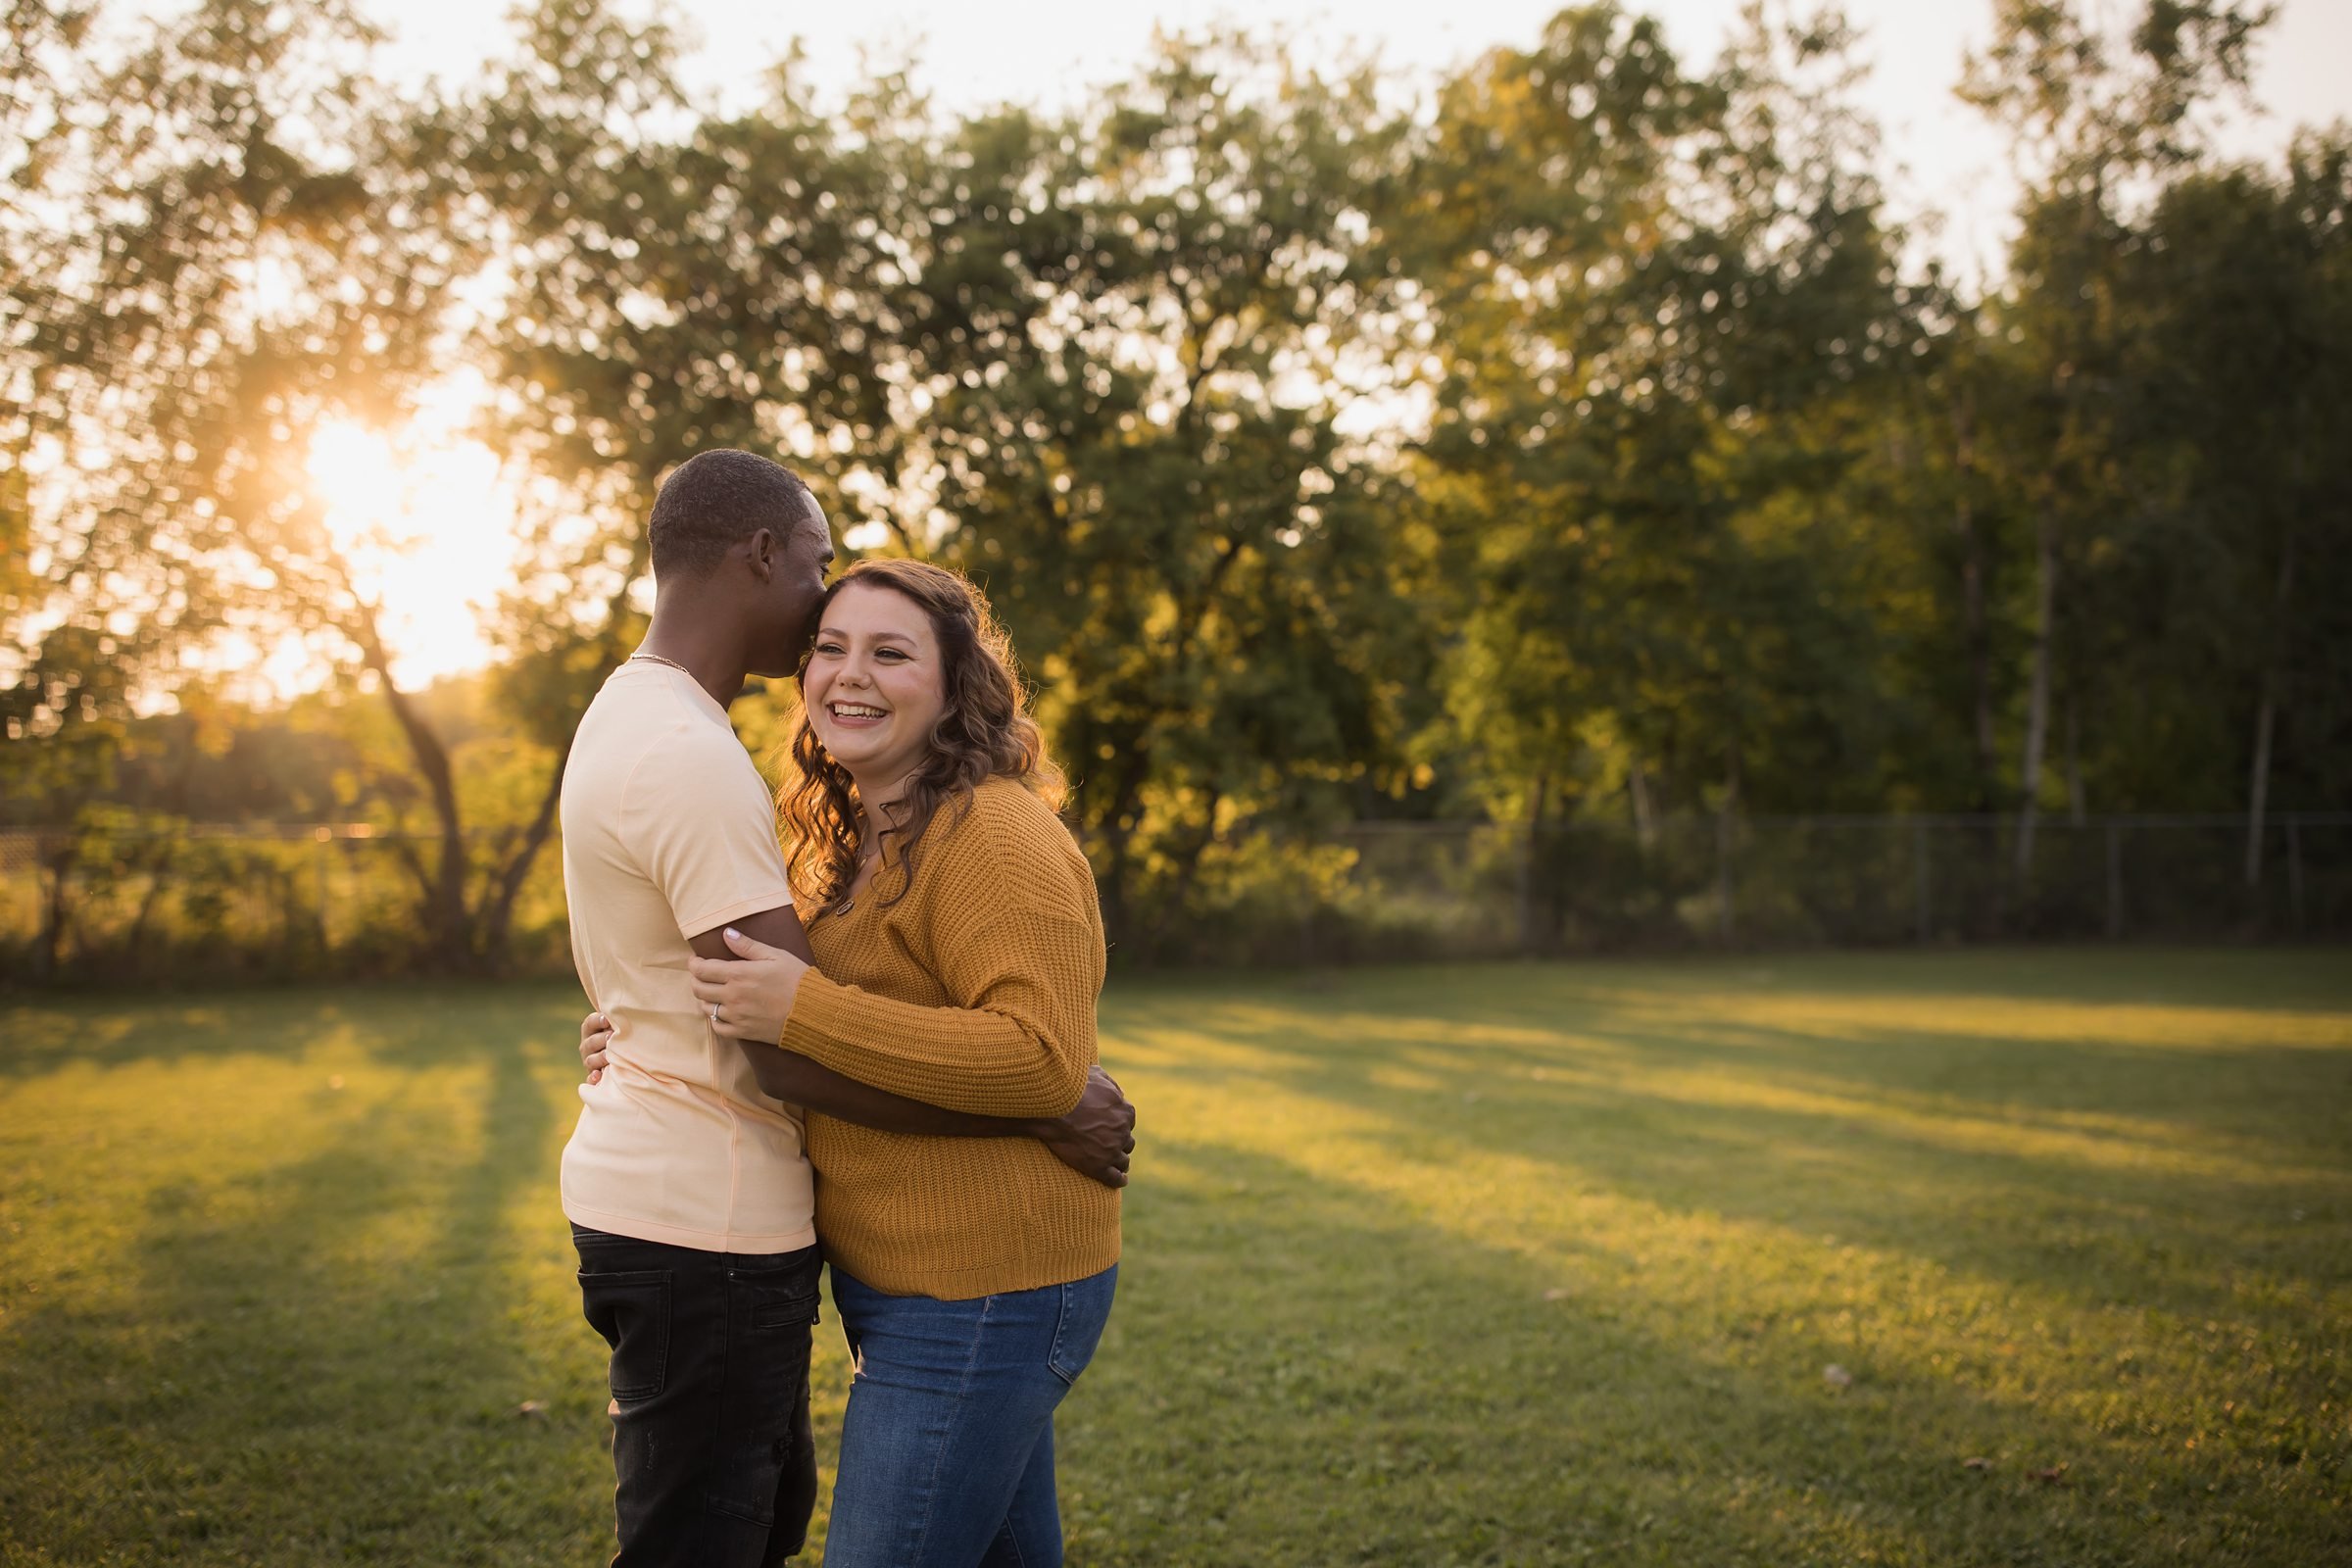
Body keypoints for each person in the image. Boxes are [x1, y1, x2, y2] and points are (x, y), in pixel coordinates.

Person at [558, 451, 1132, 1568]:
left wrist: (808, 1008)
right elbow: (768, 1010)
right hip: (900, 1282)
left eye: (889, 652)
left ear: (954, 683)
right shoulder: (842, 843)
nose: (843, 672)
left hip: (985, 1287)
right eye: (831, 644)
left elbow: (1034, 1056)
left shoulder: (994, 834)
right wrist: (648, 1026)